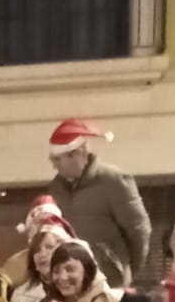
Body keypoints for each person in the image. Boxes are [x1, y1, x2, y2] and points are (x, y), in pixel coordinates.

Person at [46, 119, 150, 287]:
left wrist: (126, 268)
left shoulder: (114, 181)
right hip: (72, 283)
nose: (54, 166)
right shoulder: (55, 189)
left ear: (78, 153)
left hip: (110, 280)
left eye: (58, 160)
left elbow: (138, 230)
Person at [0, 220, 76, 302]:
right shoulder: (22, 294)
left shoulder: (83, 289)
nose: (42, 254)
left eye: (49, 247)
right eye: (36, 250)